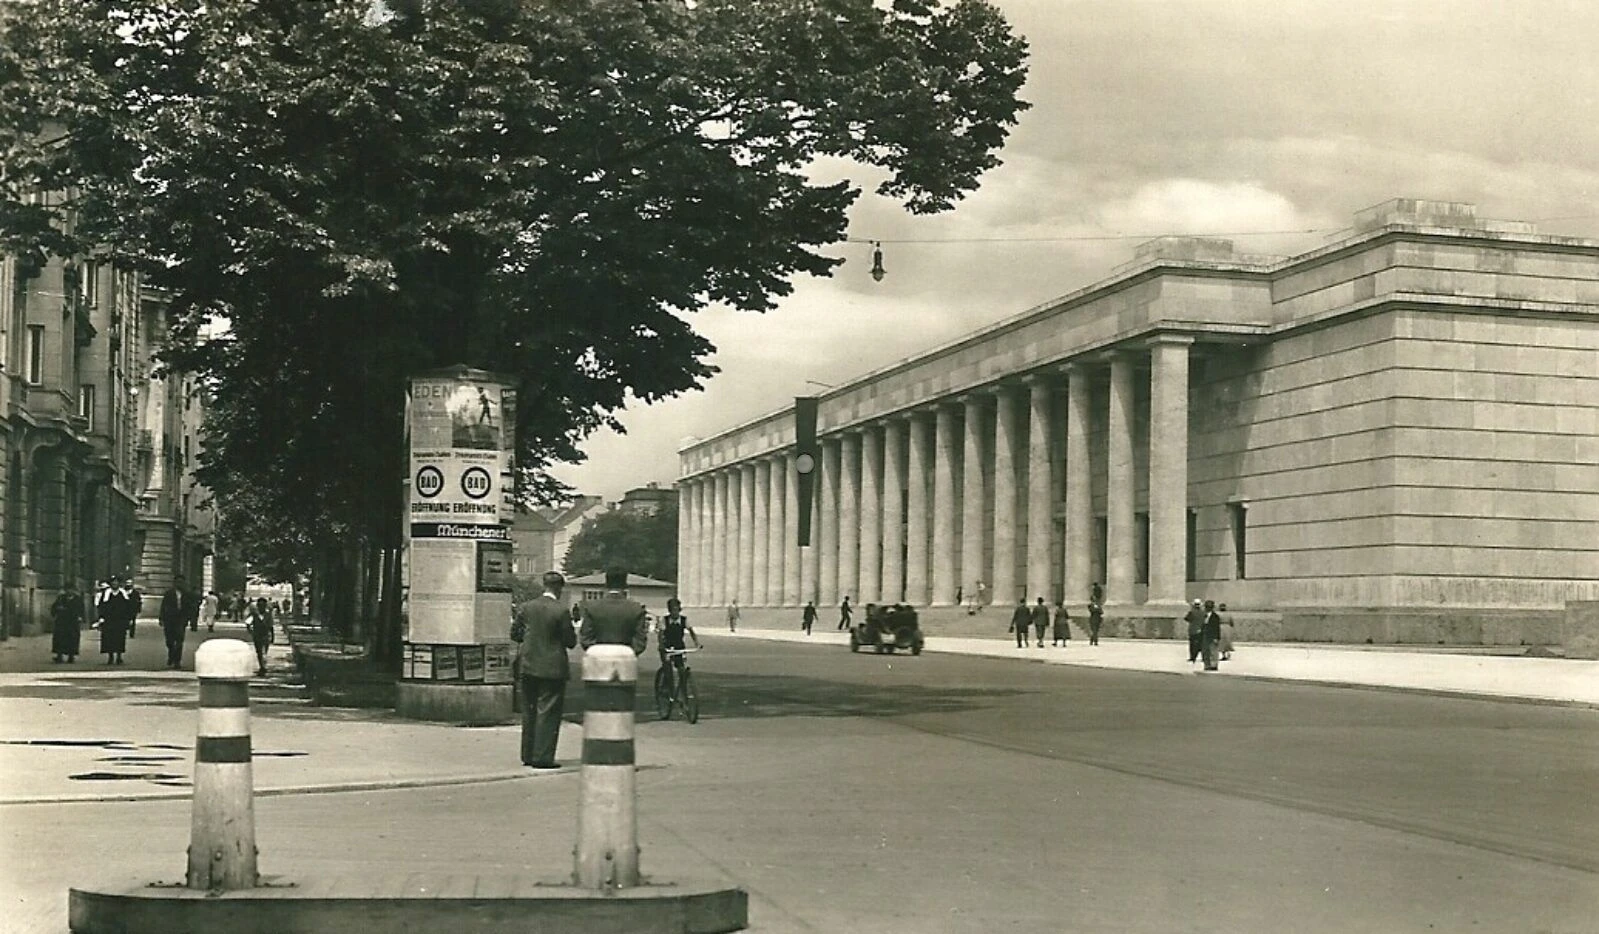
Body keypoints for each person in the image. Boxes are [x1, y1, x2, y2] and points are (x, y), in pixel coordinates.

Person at [512, 571, 576, 769]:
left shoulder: (527, 607)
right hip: (552, 667)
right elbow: (570, 641)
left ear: (544, 585)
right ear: (559, 588)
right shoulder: (561, 611)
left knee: (529, 710)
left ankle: (528, 754)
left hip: (528, 664)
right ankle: (543, 756)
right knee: (548, 711)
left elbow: (515, 633)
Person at [579, 568, 649, 655]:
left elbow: (586, 638)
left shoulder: (592, 607)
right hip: (626, 658)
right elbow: (640, 640)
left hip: (598, 657)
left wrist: (597, 651)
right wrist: (630, 653)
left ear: (606, 584)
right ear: (625, 585)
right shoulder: (636, 609)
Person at [657, 596, 700, 680]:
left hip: (679, 645)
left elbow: (691, 632)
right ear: (670, 611)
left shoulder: (684, 620)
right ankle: (667, 687)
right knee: (667, 667)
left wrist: (696, 643)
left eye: (677, 610)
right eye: (673, 610)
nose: (675, 613)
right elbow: (660, 634)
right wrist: (661, 645)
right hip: (667, 646)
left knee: (681, 668)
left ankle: (684, 687)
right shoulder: (664, 620)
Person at [97, 576, 133, 665]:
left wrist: (129, 618)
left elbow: (128, 607)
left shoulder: (123, 593)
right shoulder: (106, 593)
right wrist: (101, 617)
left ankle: (119, 656)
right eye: (113, 582)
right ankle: (110, 656)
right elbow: (102, 606)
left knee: (120, 638)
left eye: (116, 582)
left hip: (120, 620)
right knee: (109, 638)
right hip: (109, 620)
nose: (115, 584)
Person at [159, 576, 190, 669]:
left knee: (180, 640)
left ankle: (177, 661)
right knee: (169, 641)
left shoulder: (186, 594)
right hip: (169, 620)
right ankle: (171, 655)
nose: (180, 584)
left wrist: (189, 619)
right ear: (175, 583)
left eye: (181, 582)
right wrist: (161, 618)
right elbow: (163, 606)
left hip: (180, 620)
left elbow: (189, 607)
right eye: (178, 582)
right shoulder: (169, 594)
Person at [50, 585, 85, 663]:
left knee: (72, 639)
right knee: (60, 638)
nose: (69, 591)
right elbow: (54, 607)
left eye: (71, 590)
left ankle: (71, 656)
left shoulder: (77, 599)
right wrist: (55, 613)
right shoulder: (61, 598)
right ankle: (59, 655)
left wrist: (81, 617)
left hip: (73, 622)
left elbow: (81, 609)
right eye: (68, 590)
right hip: (62, 622)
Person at [245, 597, 276, 676]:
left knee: (264, 652)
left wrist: (272, 636)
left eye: (263, 605)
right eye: (260, 605)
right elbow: (248, 623)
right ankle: (262, 667)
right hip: (257, 635)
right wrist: (251, 631)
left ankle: (263, 667)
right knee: (259, 652)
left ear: (265, 606)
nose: (261, 607)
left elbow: (271, 626)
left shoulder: (268, 614)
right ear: (258, 606)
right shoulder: (254, 615)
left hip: (266, 635)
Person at [1201, 599, 1223, 671]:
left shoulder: (1215, 617)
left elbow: (1217, 628)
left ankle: (1214, 664)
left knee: (1213, 651)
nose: (1207, 608)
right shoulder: (1202, 616)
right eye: (1207, 607)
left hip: (1212, 636)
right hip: (1204, 636)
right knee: (1205, 651)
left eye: (1209, 607)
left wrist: (1216, 637)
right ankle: (1207, 664)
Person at [1184, 598, 1206, 664]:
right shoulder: (1203, 612)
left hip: (1193, 629)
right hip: (1201, 629)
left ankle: (1193, 657)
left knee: (1192, 644)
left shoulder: (1192, 612)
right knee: (1202, 644)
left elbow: (1186, 618)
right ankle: (1203, 657)